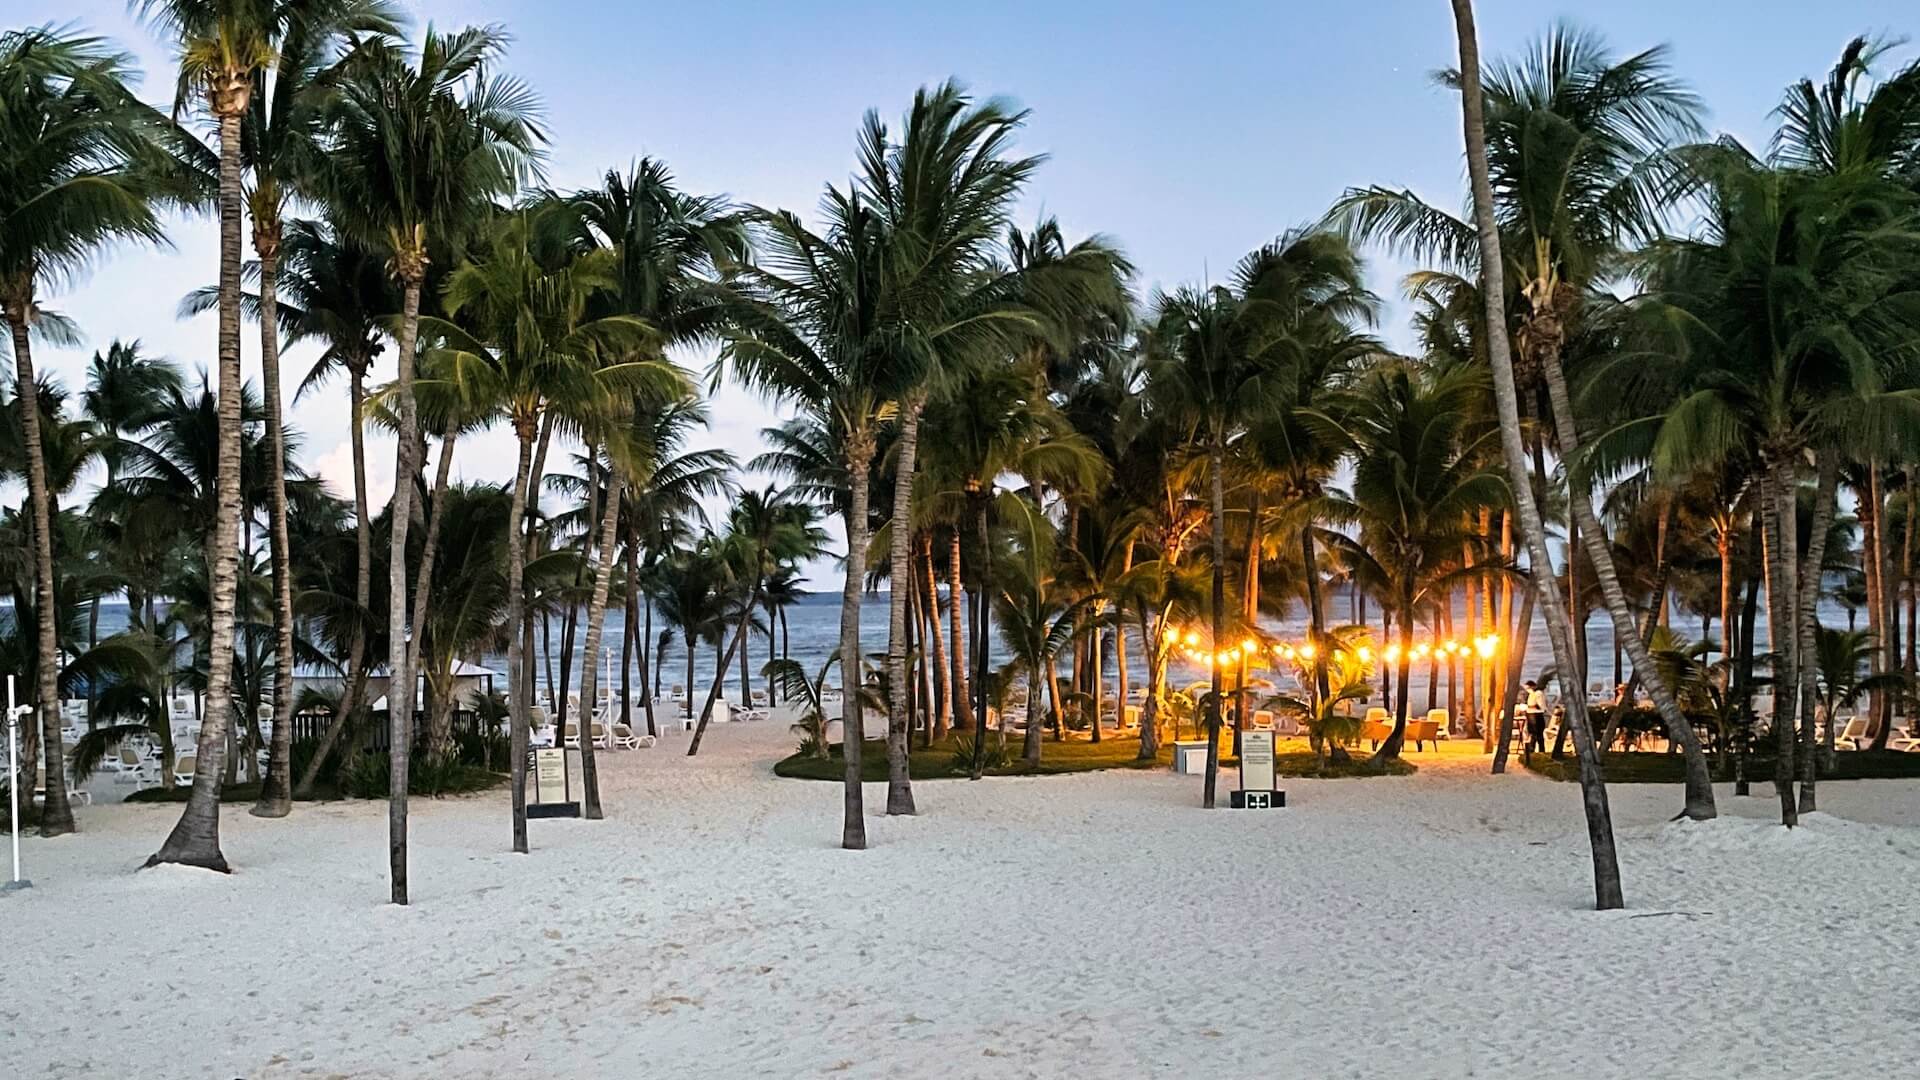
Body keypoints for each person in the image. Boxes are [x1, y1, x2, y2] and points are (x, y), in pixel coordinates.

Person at [1523, 680, 1548, 754]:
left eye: (1528, 688)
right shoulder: (1531, 694)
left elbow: (1541, 706)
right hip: (1531, 714)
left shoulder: (1538, 693)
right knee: (1533, 734)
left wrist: (1531, 707)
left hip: (1536, 715)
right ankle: (1533, 749)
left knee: (1537, 734)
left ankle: (1539, 750)